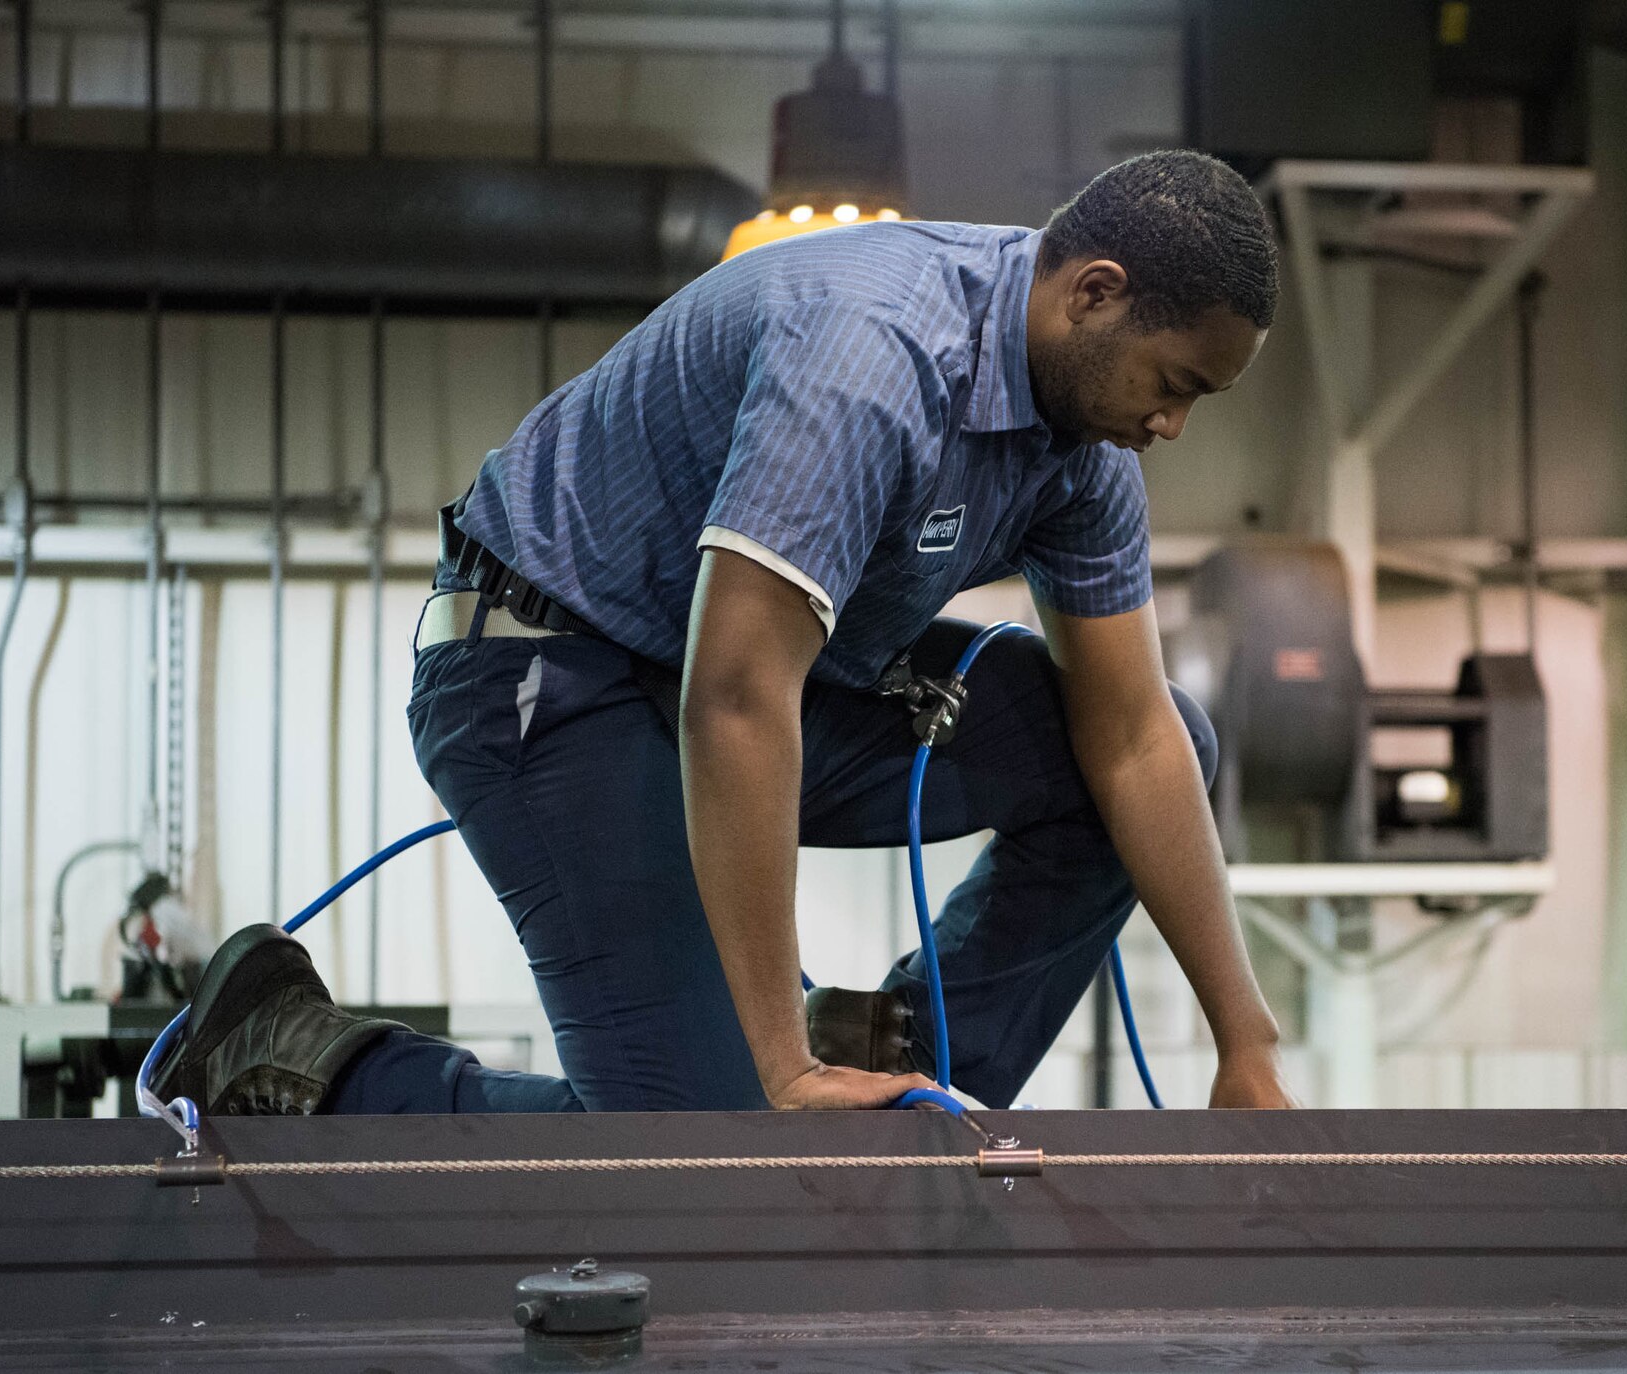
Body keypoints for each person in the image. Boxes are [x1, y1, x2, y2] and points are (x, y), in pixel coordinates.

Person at [152, 149, 1298, 1117]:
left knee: (1170, 746)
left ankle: (905, 1065)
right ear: (1092, 293)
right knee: (722, 1145)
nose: (1173, 425)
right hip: (548, 673)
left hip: (764, 686)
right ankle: (306, 1056)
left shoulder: (1087, 455)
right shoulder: (873, 356)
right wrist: (776, 1069)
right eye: (1174, 382)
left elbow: (1134, 742)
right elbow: (735, 698)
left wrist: (1243, 1044)